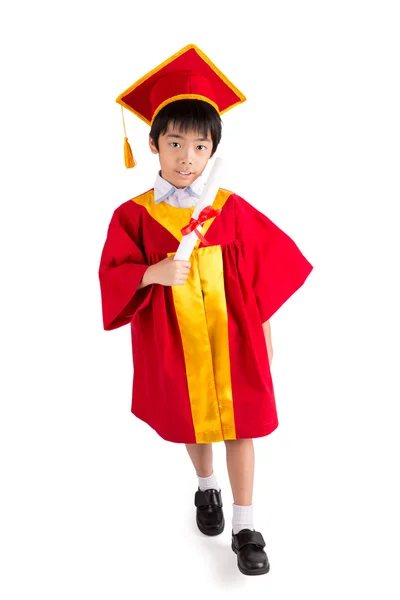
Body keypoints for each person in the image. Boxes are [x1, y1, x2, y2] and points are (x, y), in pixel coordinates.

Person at [98, 44, 313, 576]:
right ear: (153, 143)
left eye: (200, 144)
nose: (187, 155)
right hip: (174, 340)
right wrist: (153, 272)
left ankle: (245, 525)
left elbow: (266, 270)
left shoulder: (229, 209)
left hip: (233, 337)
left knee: (244, 426)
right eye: (174, 142)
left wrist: (264, 327)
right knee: (192, 425)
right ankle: (206, 487)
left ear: (213, 149)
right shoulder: (134, 217)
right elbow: (112, 275)